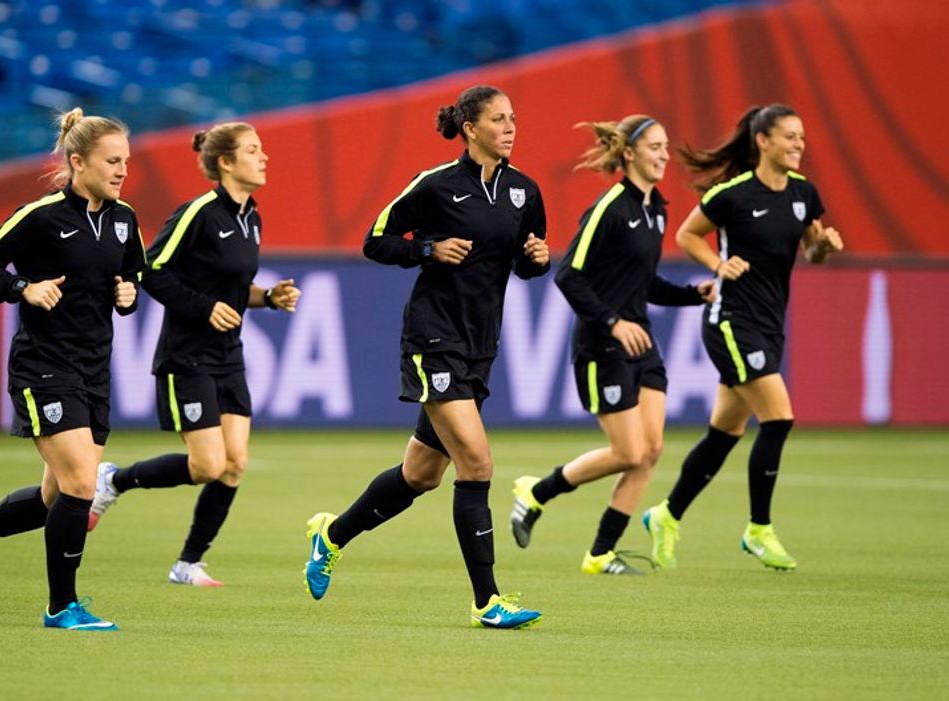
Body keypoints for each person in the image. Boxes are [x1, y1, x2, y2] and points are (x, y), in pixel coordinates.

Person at [303, 85, 549, 629]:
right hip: (433, 340)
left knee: (420, 475)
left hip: (480, 346)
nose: (511, 127)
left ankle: (330, 536)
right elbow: (376, 240)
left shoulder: (524, 192)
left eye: (514, 118)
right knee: (478, 464)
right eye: (499, 119)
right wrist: (427, 250)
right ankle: (488, 601)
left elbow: (530, 260)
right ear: (471, 128)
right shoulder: (436, 186)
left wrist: (538, 258)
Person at [0, 107, 144, 630]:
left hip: (94, 369)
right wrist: (22, 288)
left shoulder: (125, 220)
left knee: (53, 498)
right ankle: (62, 607)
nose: (122, 171)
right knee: (81, 484)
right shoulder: (41, 216)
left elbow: (131, 279)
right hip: (43, 366)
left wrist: (128, 295)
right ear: (77, 162)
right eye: (111, 161)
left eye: (125, 160)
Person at [86, 122, 300, 587]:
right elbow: (152, 270)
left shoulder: (252, 217)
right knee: (207, 466)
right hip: (187, 357)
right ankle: (114, 480)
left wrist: (267, 298)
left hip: (229, 356)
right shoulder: (199, 212)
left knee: (235, 463)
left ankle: (187, 564)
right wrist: (205, 309)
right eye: (252, 150)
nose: (264, 158)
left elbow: (231, 287)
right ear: (225, 162)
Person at [509, 116, 715, 574]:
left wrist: (692, 294)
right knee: (628, 453)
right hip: (602, 344)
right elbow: (568, 274)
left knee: (651, 449)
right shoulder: (610, 207)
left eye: (666, 147)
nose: (665, 155)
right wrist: (612, 321)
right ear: (629, 154)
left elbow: (644, 285)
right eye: (655, 147)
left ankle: (600, 553)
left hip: (641, 342)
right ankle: (536, 493)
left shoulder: (656, 209)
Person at [642, 104, 844, 571]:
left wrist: (824, 246)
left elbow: (811, 250)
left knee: (725, 432)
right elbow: (688, 234)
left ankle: (665, 516)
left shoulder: (803, 194)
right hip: (730, 319)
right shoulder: (732, 194)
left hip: (771, 322)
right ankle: (759, 529)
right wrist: (717, 265)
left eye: (802, 137)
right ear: (763, 141)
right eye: (790, 136)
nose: (798, 144)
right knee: (779, 419)